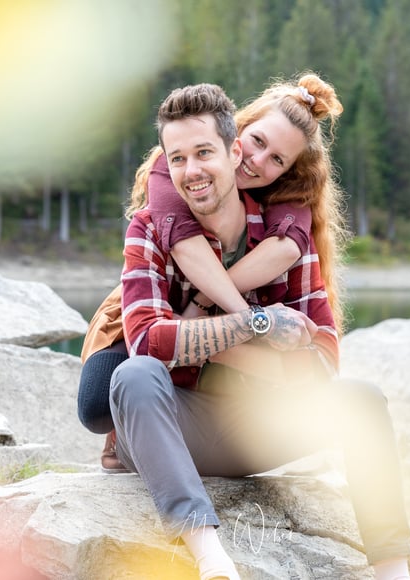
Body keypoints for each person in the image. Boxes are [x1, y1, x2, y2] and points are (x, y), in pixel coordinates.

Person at [110, 83, 410, 580]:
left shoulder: (286, 236)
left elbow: (321, 364)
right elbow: (147, 341)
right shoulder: (151, 225)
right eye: (179, 158)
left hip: (262, 427)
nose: (194, 171)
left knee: (361, 399)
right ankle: (211, 558)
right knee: (134, 375)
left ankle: (392, 569)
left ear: (231, 152)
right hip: (175, 428)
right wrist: (258, 325)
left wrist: (204, 335)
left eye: (205, 153)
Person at [78, 73, 347, 469]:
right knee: (99, 404)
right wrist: (251, 319)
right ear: (239, 134)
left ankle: (192, 423)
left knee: (228, 379)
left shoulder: (284, 203)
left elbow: (287, 249)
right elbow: (184, 247)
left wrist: (215, 307)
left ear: (289, 170)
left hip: (220, 317)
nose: (257, 162)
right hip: (156, 304)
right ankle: (129, 430)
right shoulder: (173, 172)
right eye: (258, 142)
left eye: (277, 160)